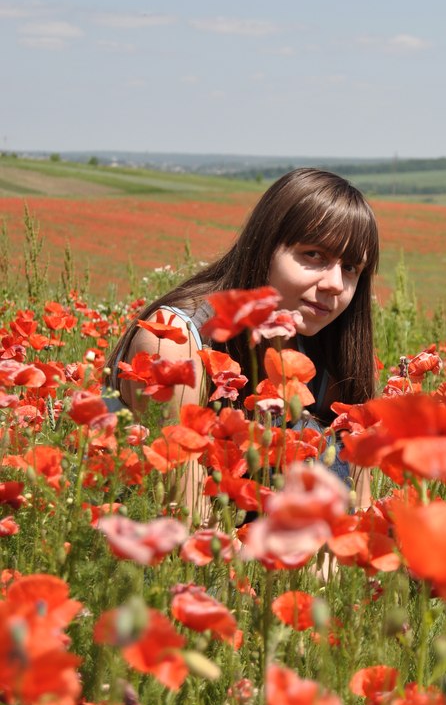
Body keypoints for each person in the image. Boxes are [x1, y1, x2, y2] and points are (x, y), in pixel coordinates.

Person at [106, 167, 379, 515]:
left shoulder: (332, 350)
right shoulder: (173, 341)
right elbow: (185, 516)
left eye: (351, 268)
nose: (335, 285)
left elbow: (360, 512)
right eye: (314, 255)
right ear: (264, 249)